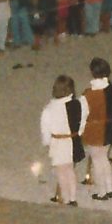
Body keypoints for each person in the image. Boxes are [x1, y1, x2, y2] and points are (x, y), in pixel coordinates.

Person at [39, 74, 82, 206]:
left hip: (58, 143)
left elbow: (45, 129)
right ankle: (73, 197)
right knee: (70, 169)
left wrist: (46, 142)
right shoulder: (76, 104)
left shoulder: (49, 110)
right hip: (72, 140)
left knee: (61, 172)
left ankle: (65, 197)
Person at [81, 58, 112, 200]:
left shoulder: (88, 94)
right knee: (104, 158)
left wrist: (80, 132)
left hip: (95, 129)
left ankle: (101, 192)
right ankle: (109, 188)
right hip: (110, 127)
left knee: (97, 160)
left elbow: (83, 114)